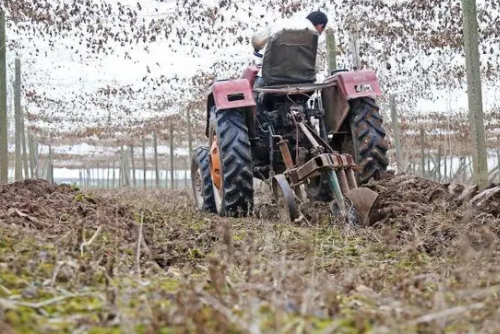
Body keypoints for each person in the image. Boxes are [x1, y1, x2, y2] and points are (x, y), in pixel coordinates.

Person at [251, 10, 329, 88]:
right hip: (303, 85)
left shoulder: (279, 25)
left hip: (270, 82)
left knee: (253, 94)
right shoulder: (315, 38)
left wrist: (257, 48)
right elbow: (316, 67)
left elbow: (257, 41)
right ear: (320, 26)